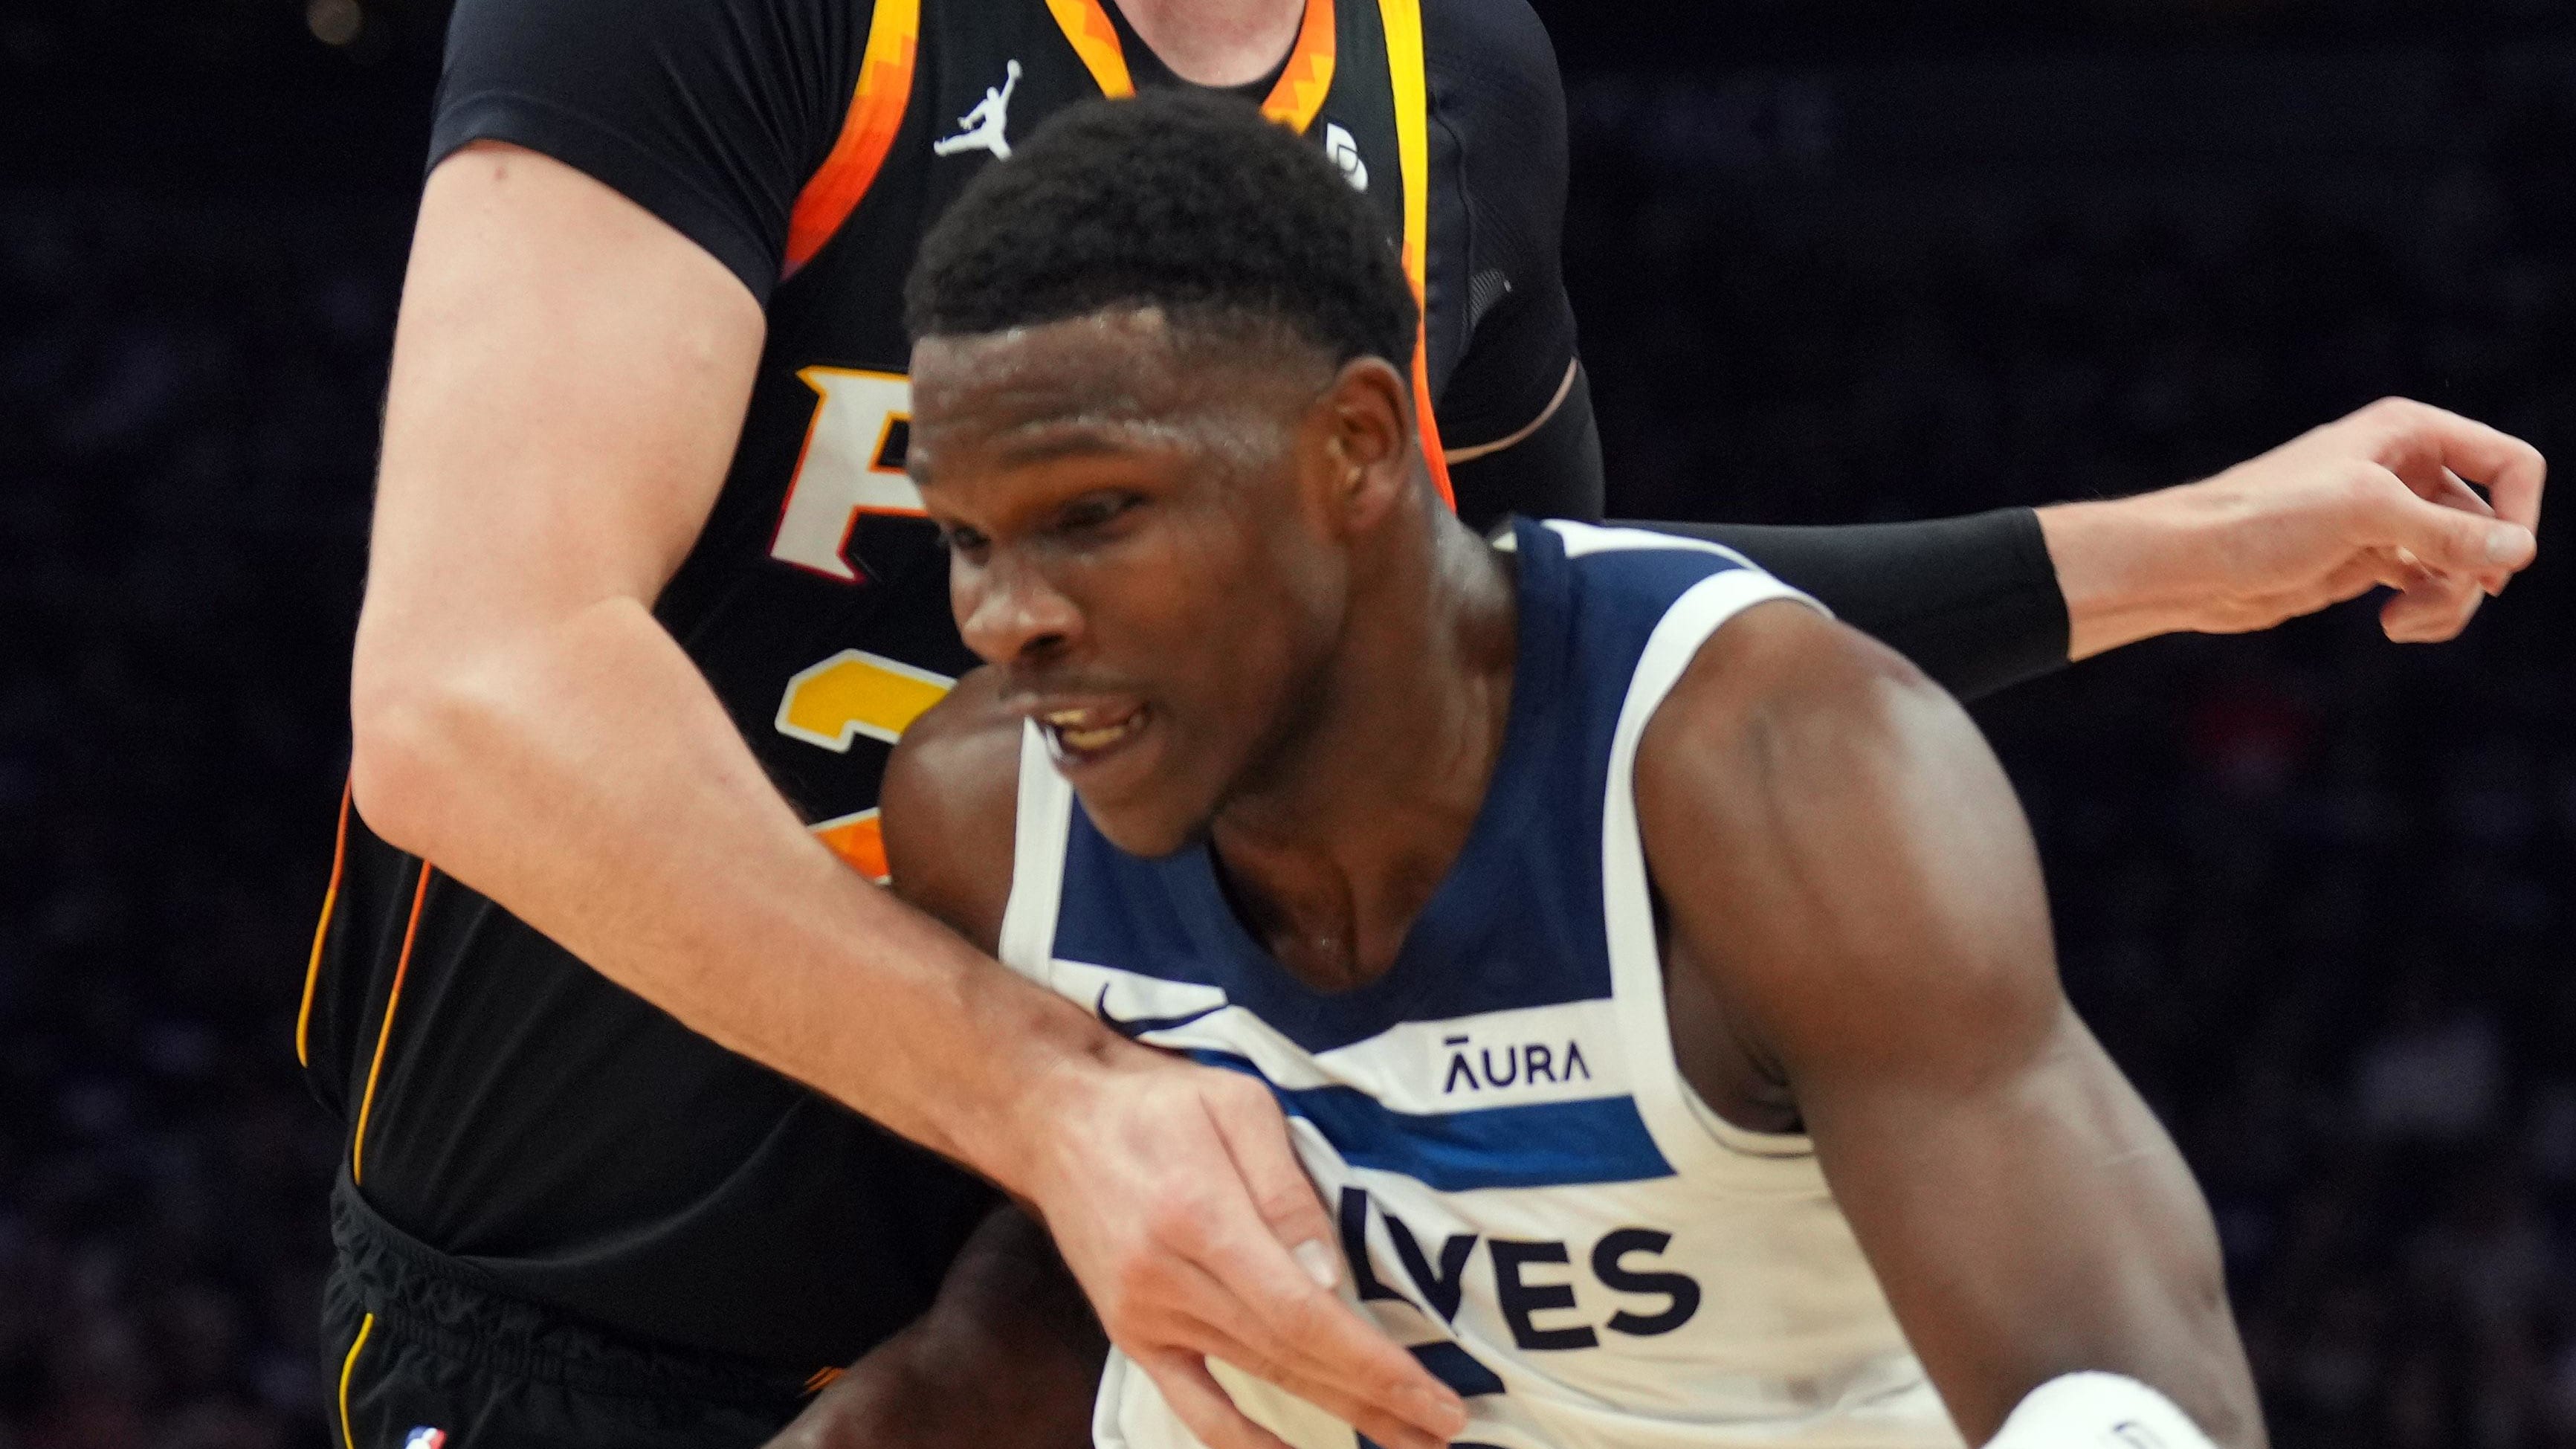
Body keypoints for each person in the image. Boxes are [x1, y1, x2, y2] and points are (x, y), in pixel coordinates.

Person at [314, 0, 2544, 1444]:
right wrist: (1056, 1099)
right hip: (602, 1308)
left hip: (1150, 1323)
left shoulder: (1456, 72)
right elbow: (466, 684)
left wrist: (2174, 548)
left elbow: (1526, 661)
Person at [876, 90, 2328, 1448]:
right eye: (966, 538)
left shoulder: (1779, 776)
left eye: (1093, 515)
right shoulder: (987, 812)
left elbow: (2115, 1401)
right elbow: (1051, 1285)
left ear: (1354, 448)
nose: (1009, 618)